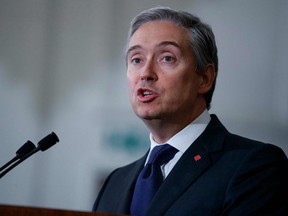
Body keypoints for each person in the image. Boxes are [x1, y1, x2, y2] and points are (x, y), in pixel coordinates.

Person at [92, 6, 288, 216]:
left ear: (204, 78)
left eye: (166, 58)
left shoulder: (254, 166)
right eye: (136, 59)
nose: (146, 73)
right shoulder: (115, 183)